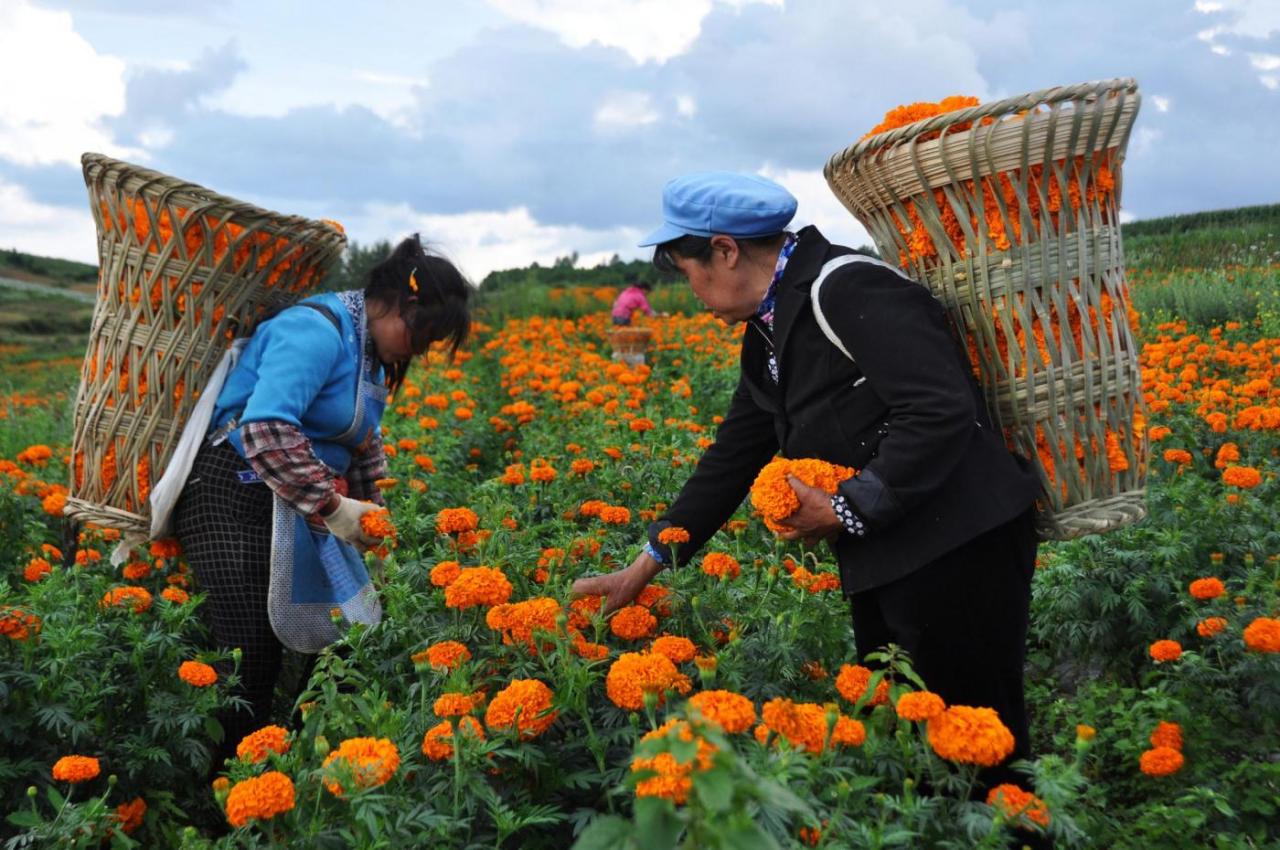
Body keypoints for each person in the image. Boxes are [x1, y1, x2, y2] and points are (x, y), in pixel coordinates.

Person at [572, 172, 1042, 788]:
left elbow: (938, 408)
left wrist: (846, 507)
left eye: (689, 275)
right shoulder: (766, 332)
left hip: (959, 548)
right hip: (892, 551)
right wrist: (648, 562)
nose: (693, 295)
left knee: (981, 751)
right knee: (912, 748)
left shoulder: (848, 289)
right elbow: (733, 457)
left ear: (724, 250)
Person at [175, 234, 470, 766]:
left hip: (297, 497)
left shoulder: (370, 355)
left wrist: (370, 515)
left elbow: (358, 443)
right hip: (235, 487)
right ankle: (227, 792)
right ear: (399, 303)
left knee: (348, 637)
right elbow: (265, 428)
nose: (418, 350)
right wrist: (335, 509)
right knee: (250, 656)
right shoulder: (314, 329)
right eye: (421, 334)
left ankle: (293, 768)